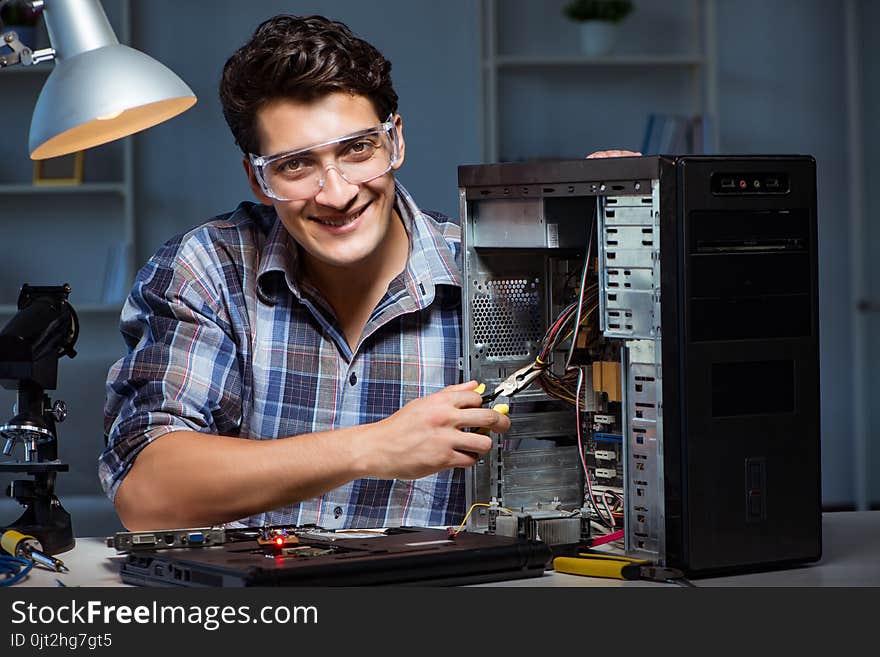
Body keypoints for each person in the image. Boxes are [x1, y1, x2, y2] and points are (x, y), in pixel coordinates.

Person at [99, 14, 633, 531]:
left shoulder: (510, 273)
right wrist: (373, 447)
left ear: (394, 141)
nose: (337, 193)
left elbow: (621, 449)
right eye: (296, 165)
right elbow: (147, 495)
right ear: (258, 179)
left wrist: (621, 250)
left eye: (357, 149)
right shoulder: (209, 269)